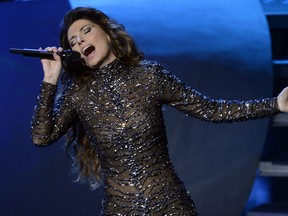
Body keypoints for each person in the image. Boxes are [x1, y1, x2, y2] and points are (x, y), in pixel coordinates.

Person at [30, 6, 288, 215]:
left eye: (86, 31)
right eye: (73, 42)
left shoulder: (150, 76)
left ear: (108, 32)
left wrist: (275, 104)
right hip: (120, 209)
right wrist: (50, 81)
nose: (80, 41)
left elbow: (212, 110)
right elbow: (42, 137)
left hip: (170, 205)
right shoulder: (79, 94)